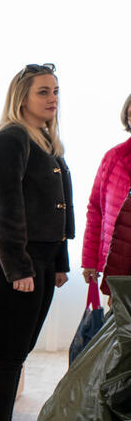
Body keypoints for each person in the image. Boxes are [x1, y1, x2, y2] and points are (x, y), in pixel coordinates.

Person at [0, 63, 73, 421]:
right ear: (22, 98)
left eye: (55, 91)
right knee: (9, 356)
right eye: (43, 92)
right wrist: (18, 267)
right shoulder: (11, 138)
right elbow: (2, 206)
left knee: (19, 354)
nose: (52, 98)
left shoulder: (47, 142)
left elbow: (58, 206)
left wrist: (60, 263)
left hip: (42, 261)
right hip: (18, 262)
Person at [82, 93, 131, 293]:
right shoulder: (113, 158)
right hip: (117, 264)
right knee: (120, 322)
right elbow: (95, 209)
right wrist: (89, 259)